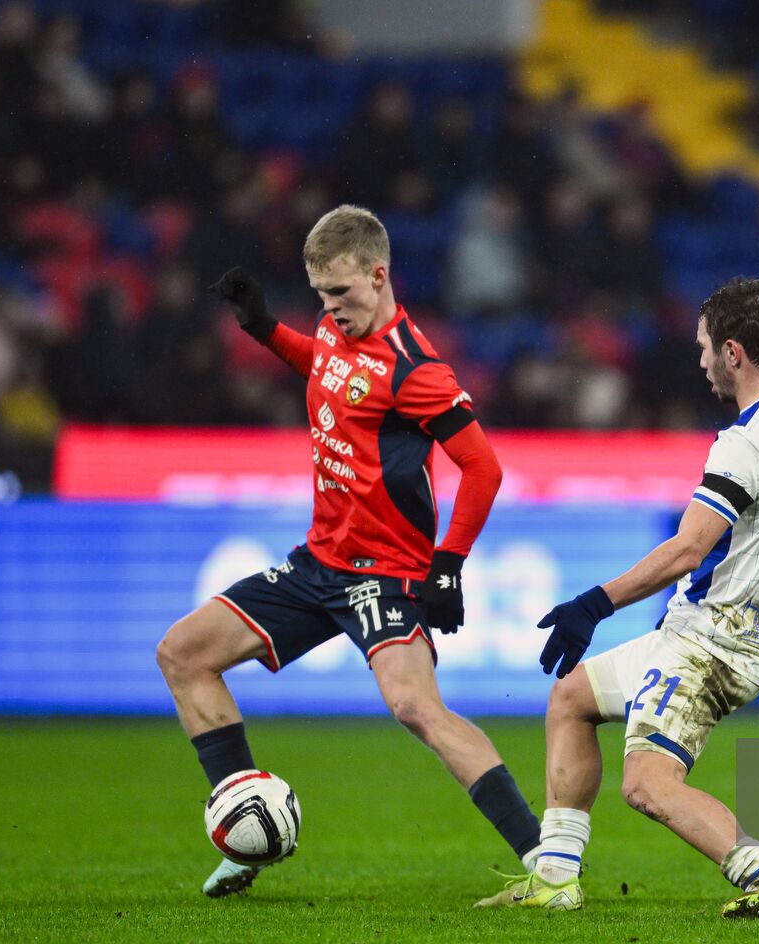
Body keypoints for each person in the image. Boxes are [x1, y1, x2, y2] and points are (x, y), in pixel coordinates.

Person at [155, 205, 542, 897]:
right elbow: (325, 365)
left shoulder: (415, 368)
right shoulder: (336, 335)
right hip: (316, 563)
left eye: (341, 294)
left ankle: (547, 862)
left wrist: (447, 567)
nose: (331, 312)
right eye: (321, 298)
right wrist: (263, 328)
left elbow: (483, 469)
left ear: (379, 274)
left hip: (386, 574)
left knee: (416, 708)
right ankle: (247, 830)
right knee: (182, 654)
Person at [475, 277, 759, 919]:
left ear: (733, 353)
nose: (698, 361)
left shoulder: (744, 442)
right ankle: (556, 877)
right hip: (745, 632)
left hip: (710, 640)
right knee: (571, 699)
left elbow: (687, 549)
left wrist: (594, 603)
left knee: (646, 783)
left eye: (703, 348)